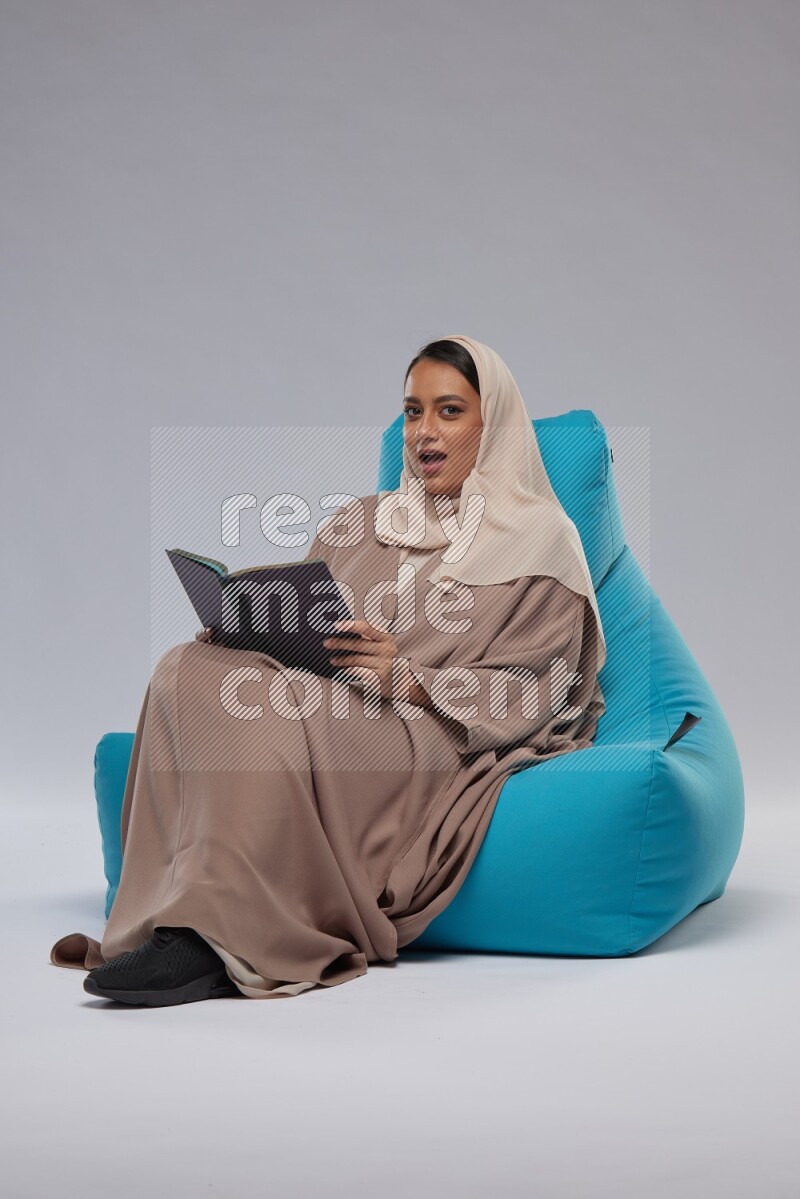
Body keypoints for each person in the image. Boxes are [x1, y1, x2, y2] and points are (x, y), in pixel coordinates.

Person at [49, 333, 607, 1005]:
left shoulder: (541, 538)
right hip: (336, 700)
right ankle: (167, 917)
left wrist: (407, 676)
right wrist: (245, 628)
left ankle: (219, 939)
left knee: (264, 706)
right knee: (186, 665)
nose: (424, 432)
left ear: (495, 427)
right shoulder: (362, 522)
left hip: (427, 728)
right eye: (412, 411)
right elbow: (314, 623)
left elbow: (539, 687)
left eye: (450, 411)